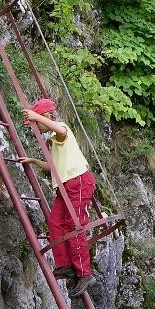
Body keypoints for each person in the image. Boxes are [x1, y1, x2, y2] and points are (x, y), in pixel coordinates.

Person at [18, 98, 96, 298]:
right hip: (64, 186)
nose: (37, 128)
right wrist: (34, 161)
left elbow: (60, 130)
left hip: (77, 181)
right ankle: (65, 265)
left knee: (74, 225)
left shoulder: (61, 130)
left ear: (45, 116)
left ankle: (84, 273)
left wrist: (35, 116)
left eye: (37, 123)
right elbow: (52, 166)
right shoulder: (53, 140)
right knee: (55, 222)